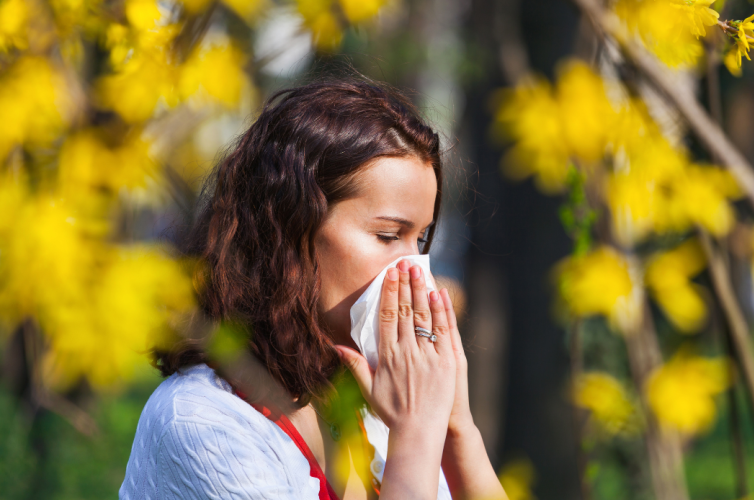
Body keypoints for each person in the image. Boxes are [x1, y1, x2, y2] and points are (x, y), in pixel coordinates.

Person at [119, 77, 507, 500]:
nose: (417, 273)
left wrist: (454, 428)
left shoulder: (374, 401)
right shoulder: (203, 423)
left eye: (421, 239)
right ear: (290, 229)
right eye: (388, 235)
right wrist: (415, 435)